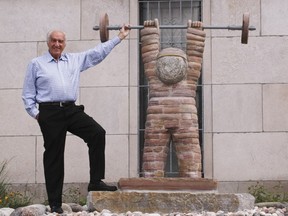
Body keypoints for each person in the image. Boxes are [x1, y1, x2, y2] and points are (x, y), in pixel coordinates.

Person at [22, 24, 130, 213]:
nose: (57, 44)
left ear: (65, 44)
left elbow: (97, 53)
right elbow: (28, 93)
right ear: (48, 43)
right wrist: (36, 114)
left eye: (60, 41)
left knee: (97, 133)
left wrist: (119, 37)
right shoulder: (36, 64)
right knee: (54, 156)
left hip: (71, 110)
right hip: (49, 113)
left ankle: (96, 181)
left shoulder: (74, 60)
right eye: (54, 40)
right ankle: (55, 203)